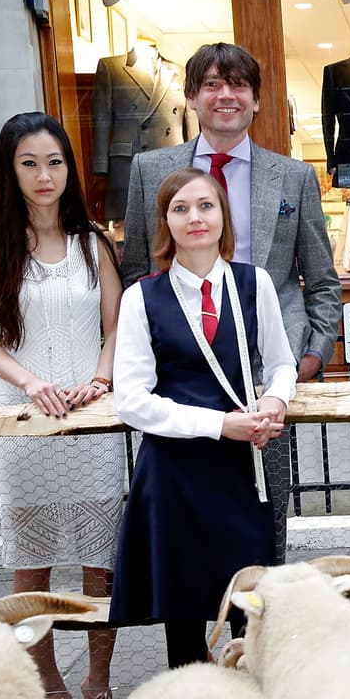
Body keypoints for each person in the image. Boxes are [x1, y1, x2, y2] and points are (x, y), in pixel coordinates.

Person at [120, 42, 341, 564]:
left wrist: (311, 353)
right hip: (181, 376)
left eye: (238, 85)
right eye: (213, 85)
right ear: (192, 96)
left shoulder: (293, 176)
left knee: (265, 517)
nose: (226, 96)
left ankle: (257, 633)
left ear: (257, 100)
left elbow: (323, 280)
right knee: (184, 526)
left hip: (267, 379)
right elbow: (136, 266)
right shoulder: (152, 170)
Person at [0, 111, 124, 699]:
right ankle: (49, 689)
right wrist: (30, 381)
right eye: (29, 163)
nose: (44, 175)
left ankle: (99, 683)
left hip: (92, 422)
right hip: (27, 422)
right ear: (11, 170)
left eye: (54, 161)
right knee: (33, 569)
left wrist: (102, 380)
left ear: (69, 167)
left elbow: (117, 326)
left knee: (101, 567)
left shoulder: (92, 241)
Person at [111, 168, 296, 669]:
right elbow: (130, 399)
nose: (195, 217)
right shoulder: (141, 298)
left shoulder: (253, 283)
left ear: (223, 215)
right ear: (165, 223)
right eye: (180, 208)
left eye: (206, 206)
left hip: (238, 475)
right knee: (184, 624)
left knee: (246, 609)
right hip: (174, 475)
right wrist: (220, 425)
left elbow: (281, 362)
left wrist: (276, 400)